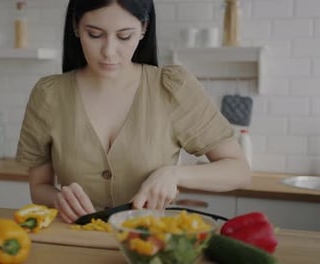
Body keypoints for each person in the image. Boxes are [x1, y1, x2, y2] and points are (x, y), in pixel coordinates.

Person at [16, 0, 251, 223]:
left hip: (147, 246)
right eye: (95, 34)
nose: (109, 51)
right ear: (76, 26)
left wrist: (174, 175)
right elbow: (39, 187)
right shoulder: (48, 94)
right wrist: (58, 199)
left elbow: (238, 170)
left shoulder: (172, 87)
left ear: (143, 28)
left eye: (124, 36)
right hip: (74, 243)